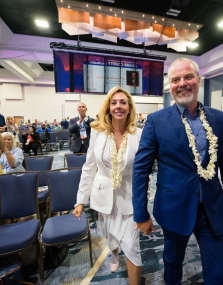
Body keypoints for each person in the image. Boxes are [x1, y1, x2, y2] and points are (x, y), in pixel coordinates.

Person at [132, 58, 223, 284]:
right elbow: (141, 170)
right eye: (175, 80)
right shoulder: (156, 121)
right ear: (170, 86)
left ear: (199, 81)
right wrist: (141, 214)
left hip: (212, 209)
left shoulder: (219, 119)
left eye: (188, 77)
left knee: (221, 274)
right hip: (174, 208)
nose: (182, 83)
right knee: (172, 264)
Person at [72, 86, 142, 284]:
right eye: (114, 102)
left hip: (130, 196)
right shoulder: (97, 131)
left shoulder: (139, 134)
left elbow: (143, 170)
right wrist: (80, 200)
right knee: (110, 236)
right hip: (103, 194)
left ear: (129, 108)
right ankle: (113, 253)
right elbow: (89, 167)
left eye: (123, 102)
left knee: (131, 245)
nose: (118, 106)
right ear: (108, 107)